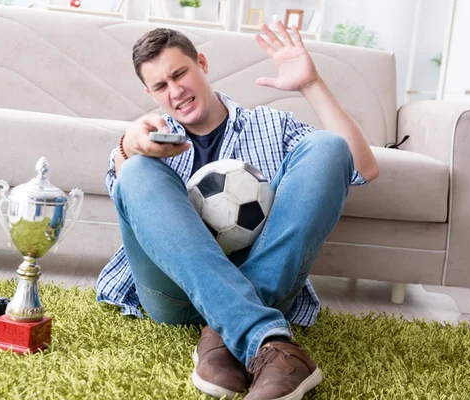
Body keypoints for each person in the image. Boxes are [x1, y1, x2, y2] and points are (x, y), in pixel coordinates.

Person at [96, 21, 379, 400]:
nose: (176, 91)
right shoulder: (148, 138)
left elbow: (361, 168)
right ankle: (266, 338)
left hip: (264, 282)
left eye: (180, 73)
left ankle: (225, 330)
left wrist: (311, 84)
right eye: (161, 86)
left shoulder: (269, 125)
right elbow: (125, 190)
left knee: (329, 146)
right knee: (136, 172)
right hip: (174, 295)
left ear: (202, 63)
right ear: (150, 93)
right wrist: (127, 146)